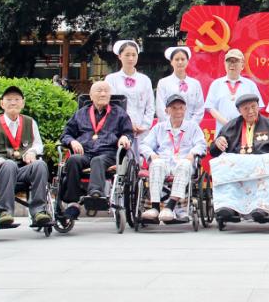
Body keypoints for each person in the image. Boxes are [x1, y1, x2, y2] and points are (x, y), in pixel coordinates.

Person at [209, 93, 269, 223]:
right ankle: (228, 206)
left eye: (253, 107)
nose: (250, 111)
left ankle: (262, 207)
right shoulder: (231, 126)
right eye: (246, 108)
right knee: (222, 164)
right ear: (239, 111)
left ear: (258, 107)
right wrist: (218, 142)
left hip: (261, 162)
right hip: (238, 164)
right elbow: (214, 150)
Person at [0, 85, 52, 228]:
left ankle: (39, 211)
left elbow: (38, 145)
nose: (13, 103)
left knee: (40, 165)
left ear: (23, 103)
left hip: (22, 168)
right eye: (9, 99)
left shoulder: (30, 122)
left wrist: (32, 152)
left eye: (17, 99)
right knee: (9, 165)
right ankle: (4, 212)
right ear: (2, 103)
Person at [58, 80, 134, 220]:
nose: (103, 94)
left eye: (106, 91)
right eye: (99, 91)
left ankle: (95, 194)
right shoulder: (81, 114)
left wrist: (125, 137)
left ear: (110, 95)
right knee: (73, 160)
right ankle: (73, 203)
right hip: (85, 153)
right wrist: (72, 141)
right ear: (91, 96)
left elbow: (128, 133)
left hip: (108, 153)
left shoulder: (119, 114)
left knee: (98, 160)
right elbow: (65, 134)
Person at [138, 93, 207, 223]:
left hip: (183, 162)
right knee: (156, 163)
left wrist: (193, 153)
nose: (178, 111)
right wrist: (151, 154)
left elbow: (201, 144)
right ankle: (155, 208)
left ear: (185, 109)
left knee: (185, 164)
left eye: (181, 108)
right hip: (164, 162)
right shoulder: (159, 128)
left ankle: (170, 207)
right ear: (167, 111)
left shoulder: (192, 127)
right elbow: (144, 145)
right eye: (174, 108)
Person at [105, 39, 155, 138]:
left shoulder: (145, 79)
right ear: (119, 56)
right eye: (127, 55)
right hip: (119, 129)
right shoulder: (111, 79)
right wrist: (127, 124)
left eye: (134, 55)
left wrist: (144, 125)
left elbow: (150, 106)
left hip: (141, 131)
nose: (131, 58)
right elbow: (111, 105)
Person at [204, 48, 262, 128]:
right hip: (223, 129)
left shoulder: (250, 85)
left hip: (245, 128)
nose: (232, 64)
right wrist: (227, 124)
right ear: (224, 64)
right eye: (229, 61)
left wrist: (243, 122)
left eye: (236, 61)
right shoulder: (216, 84)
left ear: (242, 65)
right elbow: (210, 107)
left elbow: (257, 107)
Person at [155, 46, 206, 126]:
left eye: (183, 59)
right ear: (171, 62)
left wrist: (189, 126)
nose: (180, 62)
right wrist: (173, 125)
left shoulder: (195, 84)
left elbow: (199, 109)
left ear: (187, 61)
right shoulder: (163, 83)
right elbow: (160, 108)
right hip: (168, 128)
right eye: (177, 59)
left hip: (190, 129)